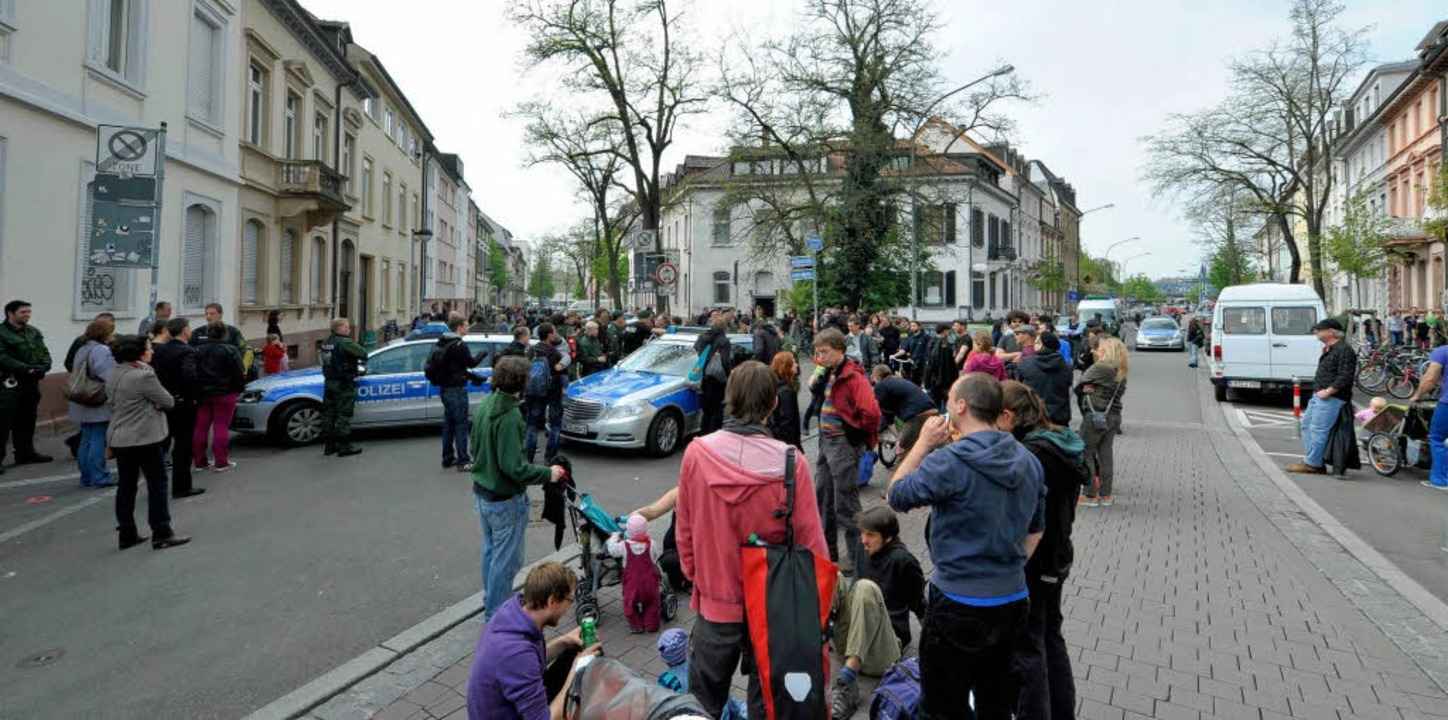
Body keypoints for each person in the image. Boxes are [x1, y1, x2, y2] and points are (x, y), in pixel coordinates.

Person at [886, 373, 1045, 720]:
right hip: (1012, 600)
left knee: (943, 707)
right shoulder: (1028, 460)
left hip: (957, 603)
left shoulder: (949, 461)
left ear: (961, 406)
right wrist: (1006, 569)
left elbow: (896, 495)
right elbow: (1036, 530)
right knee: (996, 704)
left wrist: (922, 444)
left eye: (950, 397)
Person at [675, 360, 827, 719]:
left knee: (702, 702)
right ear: (773, 403)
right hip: (773, 605)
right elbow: (812, 545)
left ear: (729, 398)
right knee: (768, 700)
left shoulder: (696, 453)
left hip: (715, 600)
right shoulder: (791, 463)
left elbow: (684, 526)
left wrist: (697, 576)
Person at [1000, 382, 1086, 720]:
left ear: (1009, 416)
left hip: (1037, 559)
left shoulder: (1032, 454)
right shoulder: (1058, 441)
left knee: (1029, 647)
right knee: (1049, 637)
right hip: (1057, 554)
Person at [471, 355, 568, 620]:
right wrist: (549, 473)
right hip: (504, 498)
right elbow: (514, 468)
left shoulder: (487, 404)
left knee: (492, 553)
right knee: (507, 562)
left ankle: (491, 601)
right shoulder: (510, 416)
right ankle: (496, 615)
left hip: (483, 493)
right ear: (522, 382)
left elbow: (474, 448)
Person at [465, 562, 599, 720]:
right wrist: (577, 670)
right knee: (580, 669)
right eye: (570, 600)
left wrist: (564, 641)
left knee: (575, 651)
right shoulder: (515, 653)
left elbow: (530, 661)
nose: (569, 607)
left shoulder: (514, 613)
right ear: (552, 601)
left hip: (509, 707)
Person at [828, 506, 926, 718]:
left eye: (870, 535)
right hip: (852, 641)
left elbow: (921, 607)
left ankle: (847, 682)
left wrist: (935, 656)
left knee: (865, 587)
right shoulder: (863, 548)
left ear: (888, 537)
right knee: (832, 574)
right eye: (862, 533)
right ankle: (815, 642)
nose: (864, 540)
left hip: (883, 652)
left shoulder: (904, 561)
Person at [106, 334, 191, 551]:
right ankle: (161, 532)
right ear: (139, 353)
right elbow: (167, 401)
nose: (152, 351)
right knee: (157, 484)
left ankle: (127, 533)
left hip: (120, 437)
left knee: (126, 485)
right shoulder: (143, 376)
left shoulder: (115, 372)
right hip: (144, 437)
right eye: (148, 348)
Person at [809, 328, 881, 575]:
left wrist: (858, 437)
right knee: (824, 498)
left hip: (841, 443)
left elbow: (871, 413)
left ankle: (857, 559)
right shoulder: (830, 372)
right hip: (825, 442)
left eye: (824, 352)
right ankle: (828, 555)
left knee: (846, 504)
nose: (820, 357)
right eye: (818, 352)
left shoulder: (853, 376)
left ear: (839, 349)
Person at [1286, 319, 1357, 475]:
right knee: (1306, 425)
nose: (1316, 332)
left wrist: (1329, 391)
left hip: (1331, 398)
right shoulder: (1330, 349)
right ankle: (1314, 460)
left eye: (1319, 330)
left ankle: (1313, 464)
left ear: (1331, 331)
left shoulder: (1344, 350)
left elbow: (1346, 375)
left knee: (1318, 430)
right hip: (1319, 395)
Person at [150, 319, 204, 498]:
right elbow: (190, 376)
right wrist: (194, 397)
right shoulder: (187, 351)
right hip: (183, 404)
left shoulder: (160, 350)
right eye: (188, 327)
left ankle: (157, 485)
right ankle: (182, 486)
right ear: (184, 331)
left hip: (165, 401)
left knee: (162, 442)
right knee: (183, 446)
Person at [0, 300, 53, 474]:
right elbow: (2, 357)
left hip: (30, 383)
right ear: (10, 313)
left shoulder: (33, 332)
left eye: (28, 312)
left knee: (27, 419)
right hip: (8, 383)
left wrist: (44, 366)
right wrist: (26, 368)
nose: (27, 315)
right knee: (3, 422)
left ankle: (25, 453)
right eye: (23, 312)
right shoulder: (1, 333)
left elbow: (43, 352)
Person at [1077, 337, 1129, 506]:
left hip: (1096, 415)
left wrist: (1089, 388)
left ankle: (1090, 494)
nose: (1097, 350)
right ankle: (1106, 495)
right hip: (1114, 416)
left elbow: (1081, 383)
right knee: (1106, 454)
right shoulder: (1121, 371)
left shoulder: (1101, 367)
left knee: (1086, 452)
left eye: (1101, 348)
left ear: (1107, 351)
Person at [435, 315, 488, 470]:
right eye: (466, 325)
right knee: (461, 425)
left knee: (449, 424)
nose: (468, 328)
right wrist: (482, 354)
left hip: (445, 388)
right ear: (459, 327)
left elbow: (455, 367)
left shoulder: (443, 341)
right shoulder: (459, 345)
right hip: (456, 389)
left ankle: (447, 458)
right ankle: (463, 461)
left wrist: (471, 376)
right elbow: (471, 363)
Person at [69, 317, 117, 488]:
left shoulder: (82, 348)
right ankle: (99, 476)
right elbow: (108, 375)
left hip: (81, 397)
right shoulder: (101, 350)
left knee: (86, 439)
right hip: (96, 399)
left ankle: (87, 477)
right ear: (105, 333)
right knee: (98, 438)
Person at [193, 322, 246, 472]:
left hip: (203, 394)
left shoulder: (197, 350)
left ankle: (200, 462)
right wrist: (239, 389)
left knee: (201, 426)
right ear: (225, 334)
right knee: (221, 426)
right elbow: (239, 372)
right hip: (225, 393)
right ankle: (221, 462)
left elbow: (192, 371)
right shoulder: (230, 350)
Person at [606, 513, 663, 633]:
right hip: (650, 583)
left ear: (628, 531)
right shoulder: (651, 544)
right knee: (652, 603)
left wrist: (614, 537)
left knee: (630, 605)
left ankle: (636, 626)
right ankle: (651, 625)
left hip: (632, 585)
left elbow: (612, 550)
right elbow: (655, 556)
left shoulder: (623, 546)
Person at [319, 318, 367, 458]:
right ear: (339, 328)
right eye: (346, 327)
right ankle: (344, 447)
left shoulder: (327, 342)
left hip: (329, 382)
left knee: (329, 414)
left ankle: (329, 446)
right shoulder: (345, 342)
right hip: (343, 383)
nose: (349, 329)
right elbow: (363, 353)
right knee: (343, 414)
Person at [1406, 343, 1448, 491]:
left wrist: (1417, 395)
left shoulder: (1443, 351)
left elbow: (1430, 379)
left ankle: (1440, 480)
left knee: (1437, 438)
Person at [524, 323, 567, 463]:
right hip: (553, 392)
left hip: (533, 392)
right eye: (554, 332)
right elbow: (562, 373)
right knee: (555, 425)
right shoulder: (555, 353)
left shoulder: (531, 350)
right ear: (549, 335)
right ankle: (550, 457)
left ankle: (528, 457)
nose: (555, 335)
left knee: (532, 425)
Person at [870, 364, 935, 455]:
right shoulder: (899, 380)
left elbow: (886, 415)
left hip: (917, 416)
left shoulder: (881, 386)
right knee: (926, 448)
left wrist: (897, 438)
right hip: (932, 410)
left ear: (877, 376)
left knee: (901, 451)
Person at [1018, 332, 1073, 427]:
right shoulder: (1066, 366)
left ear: (1042, 346)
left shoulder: (1026, 363)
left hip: (1034, 416)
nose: (1034, 345)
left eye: (1037, 342)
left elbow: (1019, 386)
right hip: (1059, 416)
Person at [694, 311, 734, 435]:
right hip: (718, 381)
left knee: (706, 411)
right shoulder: (724, 341)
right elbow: (725, 362)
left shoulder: (703, 337)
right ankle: (713, 436)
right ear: (724, 327)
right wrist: (729, 376)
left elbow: (696, 348)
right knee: (717, 411)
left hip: (704, 377)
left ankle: (703, 435)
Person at [767, 352, 802, 448]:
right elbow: (788, 423)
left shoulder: (774, 385)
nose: (797, 365)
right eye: (794, 363)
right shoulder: (787, 391)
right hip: (788, 444)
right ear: (786, 367)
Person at [923, 324, 958, 409]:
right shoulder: (943, 344)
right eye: (948, 331)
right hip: (943, 379)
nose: (949, 333)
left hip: (933, 378)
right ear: (944, 331)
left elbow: (929, 361)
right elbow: (943, 363)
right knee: (946, 402)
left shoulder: (931, 341)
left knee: (935, 402)